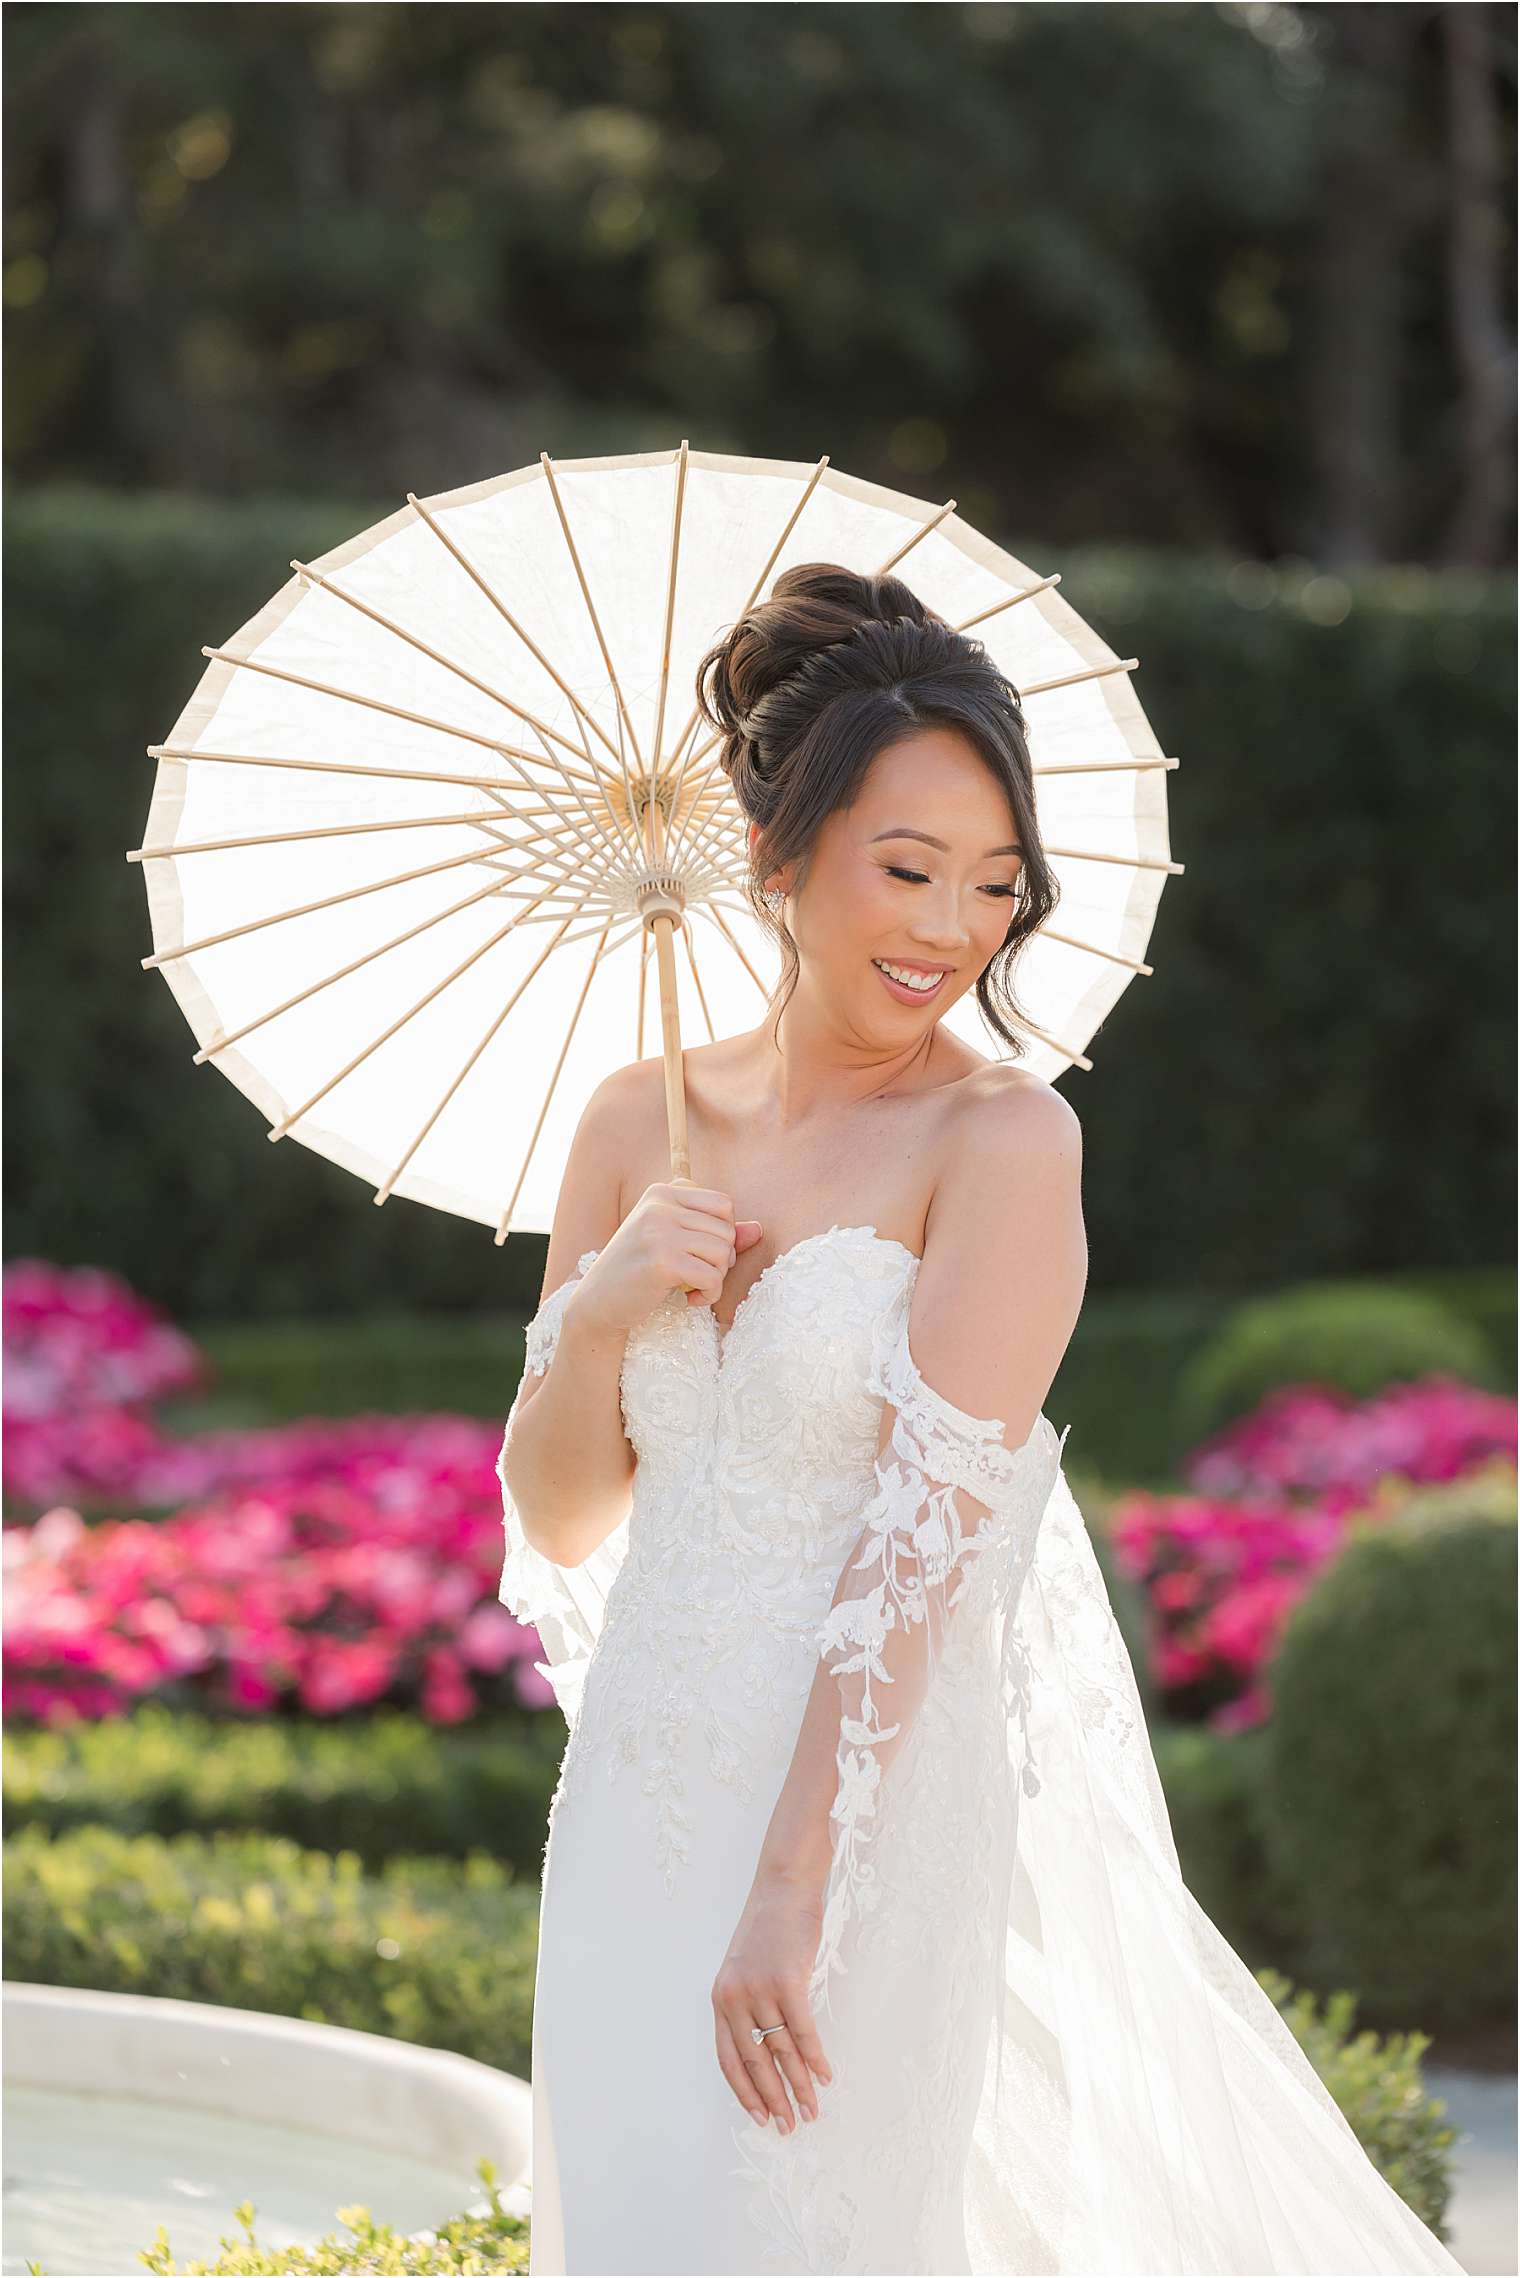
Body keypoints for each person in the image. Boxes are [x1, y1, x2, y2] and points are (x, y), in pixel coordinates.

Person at [496, 564, 1466, 2277]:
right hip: (635, 1787)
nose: (952, 929)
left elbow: (920, 1561)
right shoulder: (632, 1118)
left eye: (995, 885)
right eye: (908, 868)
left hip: (852, 1808)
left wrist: (802, 1881)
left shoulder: (1005, 1146)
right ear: (779, 854)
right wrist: (605, 1315)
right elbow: (564, 1516)